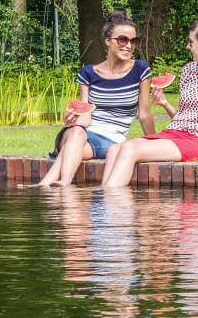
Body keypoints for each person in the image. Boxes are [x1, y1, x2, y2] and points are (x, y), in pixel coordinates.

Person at [101, 17, 198, 187]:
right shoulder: (189, 70)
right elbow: (183, 118)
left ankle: (108, 204)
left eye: (191, 42)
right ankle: (106, 207)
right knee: (114, 149)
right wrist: (166, 104)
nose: (188, 46)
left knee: (130, 150)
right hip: (174, 134)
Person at [34, 11, 154, 187]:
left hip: (110, 141)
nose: (129, 45)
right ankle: (64, 181)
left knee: (72, 145)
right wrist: (71, 120)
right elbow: (86, 115)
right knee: (76, 131)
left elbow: (144, 114)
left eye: (133, 41)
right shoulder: (88, 73)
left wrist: (152, 145)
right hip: (80, 133)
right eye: (122, 40)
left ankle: (48, 183)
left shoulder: (140, 70)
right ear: (107, 41)